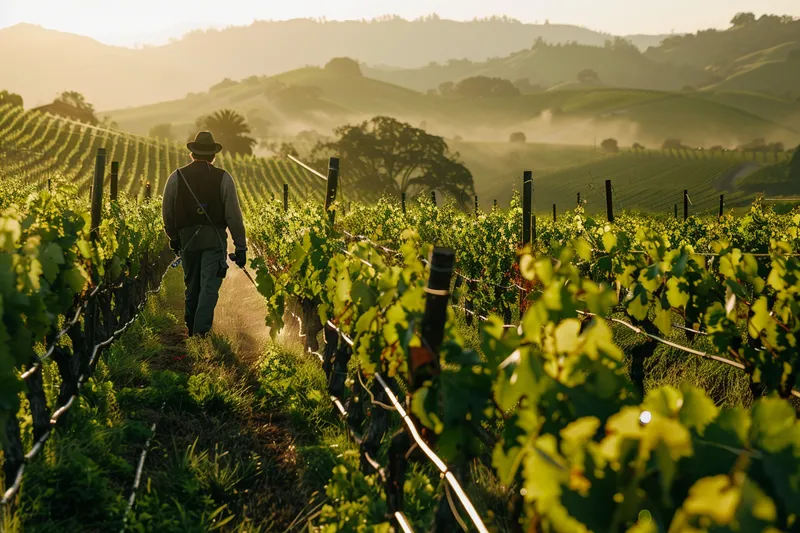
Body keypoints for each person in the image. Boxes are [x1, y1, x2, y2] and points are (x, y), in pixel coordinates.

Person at [162, 131, 247, 337]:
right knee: (209, 287)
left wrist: (173, 237)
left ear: (193, 154)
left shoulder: (177, 176)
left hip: (188, 240)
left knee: (191, 286)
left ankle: (192, 328)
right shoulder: (223, 178)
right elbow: (233, 216)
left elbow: (167, 210)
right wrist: (240, 246)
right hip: (214, 240)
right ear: (213, 156)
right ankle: (200, 332)